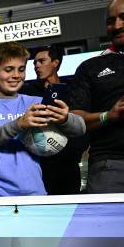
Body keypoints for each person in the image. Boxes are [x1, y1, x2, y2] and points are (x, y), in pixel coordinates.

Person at [0, 42, 85, 197]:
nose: (16, 75)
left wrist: (65, 119)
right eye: (8, 70)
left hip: (32, 191)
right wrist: (19, 124)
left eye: (21, 69)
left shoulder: (35, 102)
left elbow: (80, 128)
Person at [69, 0, 124, 193]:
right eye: (110, 21)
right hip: (112, 165)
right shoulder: (90, 67)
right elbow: (75, 120)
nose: (117, 26)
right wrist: (109, 115)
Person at [22, 46, 89, 195]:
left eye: (41, 61)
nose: (37, 66)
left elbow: (81, 123)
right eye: (34, 63)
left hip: (67, 165)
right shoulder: (27, 91)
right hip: (38, 165)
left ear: (55, 63)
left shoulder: (72, 90)